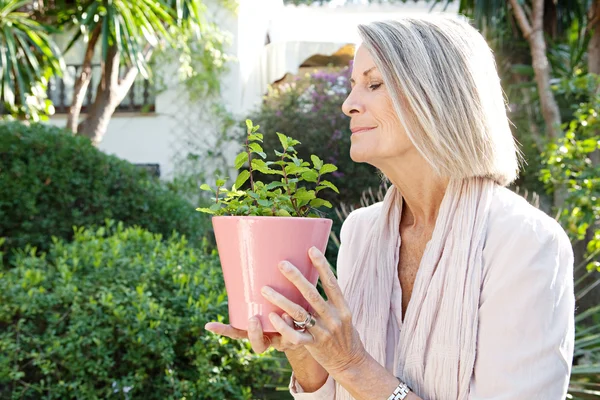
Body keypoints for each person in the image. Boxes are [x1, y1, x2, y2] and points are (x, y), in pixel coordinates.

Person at [205, 15, 575, 400]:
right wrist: (303, 347)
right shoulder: (361, 232)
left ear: (437, 98)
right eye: (352, 86)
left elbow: (356, 374)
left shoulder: (525, 243)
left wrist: (352, 364)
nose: (349, 104)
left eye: (374, 84)